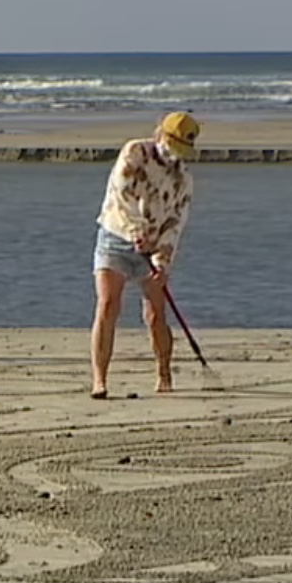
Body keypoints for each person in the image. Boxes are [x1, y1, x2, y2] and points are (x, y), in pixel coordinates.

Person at [90, 111, 199, 398]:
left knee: (154, 314)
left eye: (180, 150)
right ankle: (99, 380)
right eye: (171, 145)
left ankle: (164, 372)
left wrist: (162, 260)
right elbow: (122, 194)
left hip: (153, 247)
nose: (173, 154)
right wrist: (135, 231)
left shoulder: (183, 179)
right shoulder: (134, 152)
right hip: (115, 235)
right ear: (160, 135)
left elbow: (176, 223)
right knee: (108, 304)